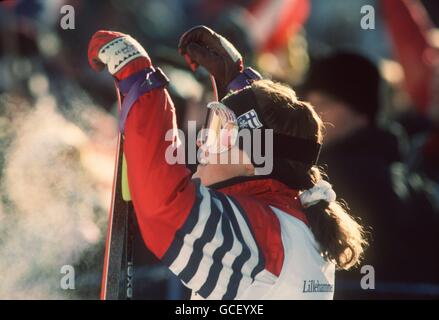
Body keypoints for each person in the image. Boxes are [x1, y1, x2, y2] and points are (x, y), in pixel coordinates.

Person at [87, 26, 366, 300]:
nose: (202, 143)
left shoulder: (266, 235)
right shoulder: (296, 218)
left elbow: (164, 206)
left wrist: (140, 82)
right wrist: (237, 83)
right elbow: (275, 144)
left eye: (220, 135)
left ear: (252, 162)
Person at [303, 52, 439, 299]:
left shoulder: (326, 180)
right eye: (309, 105)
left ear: (361, 114)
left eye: (324, 104)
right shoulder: (412, 181)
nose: (314, 116)